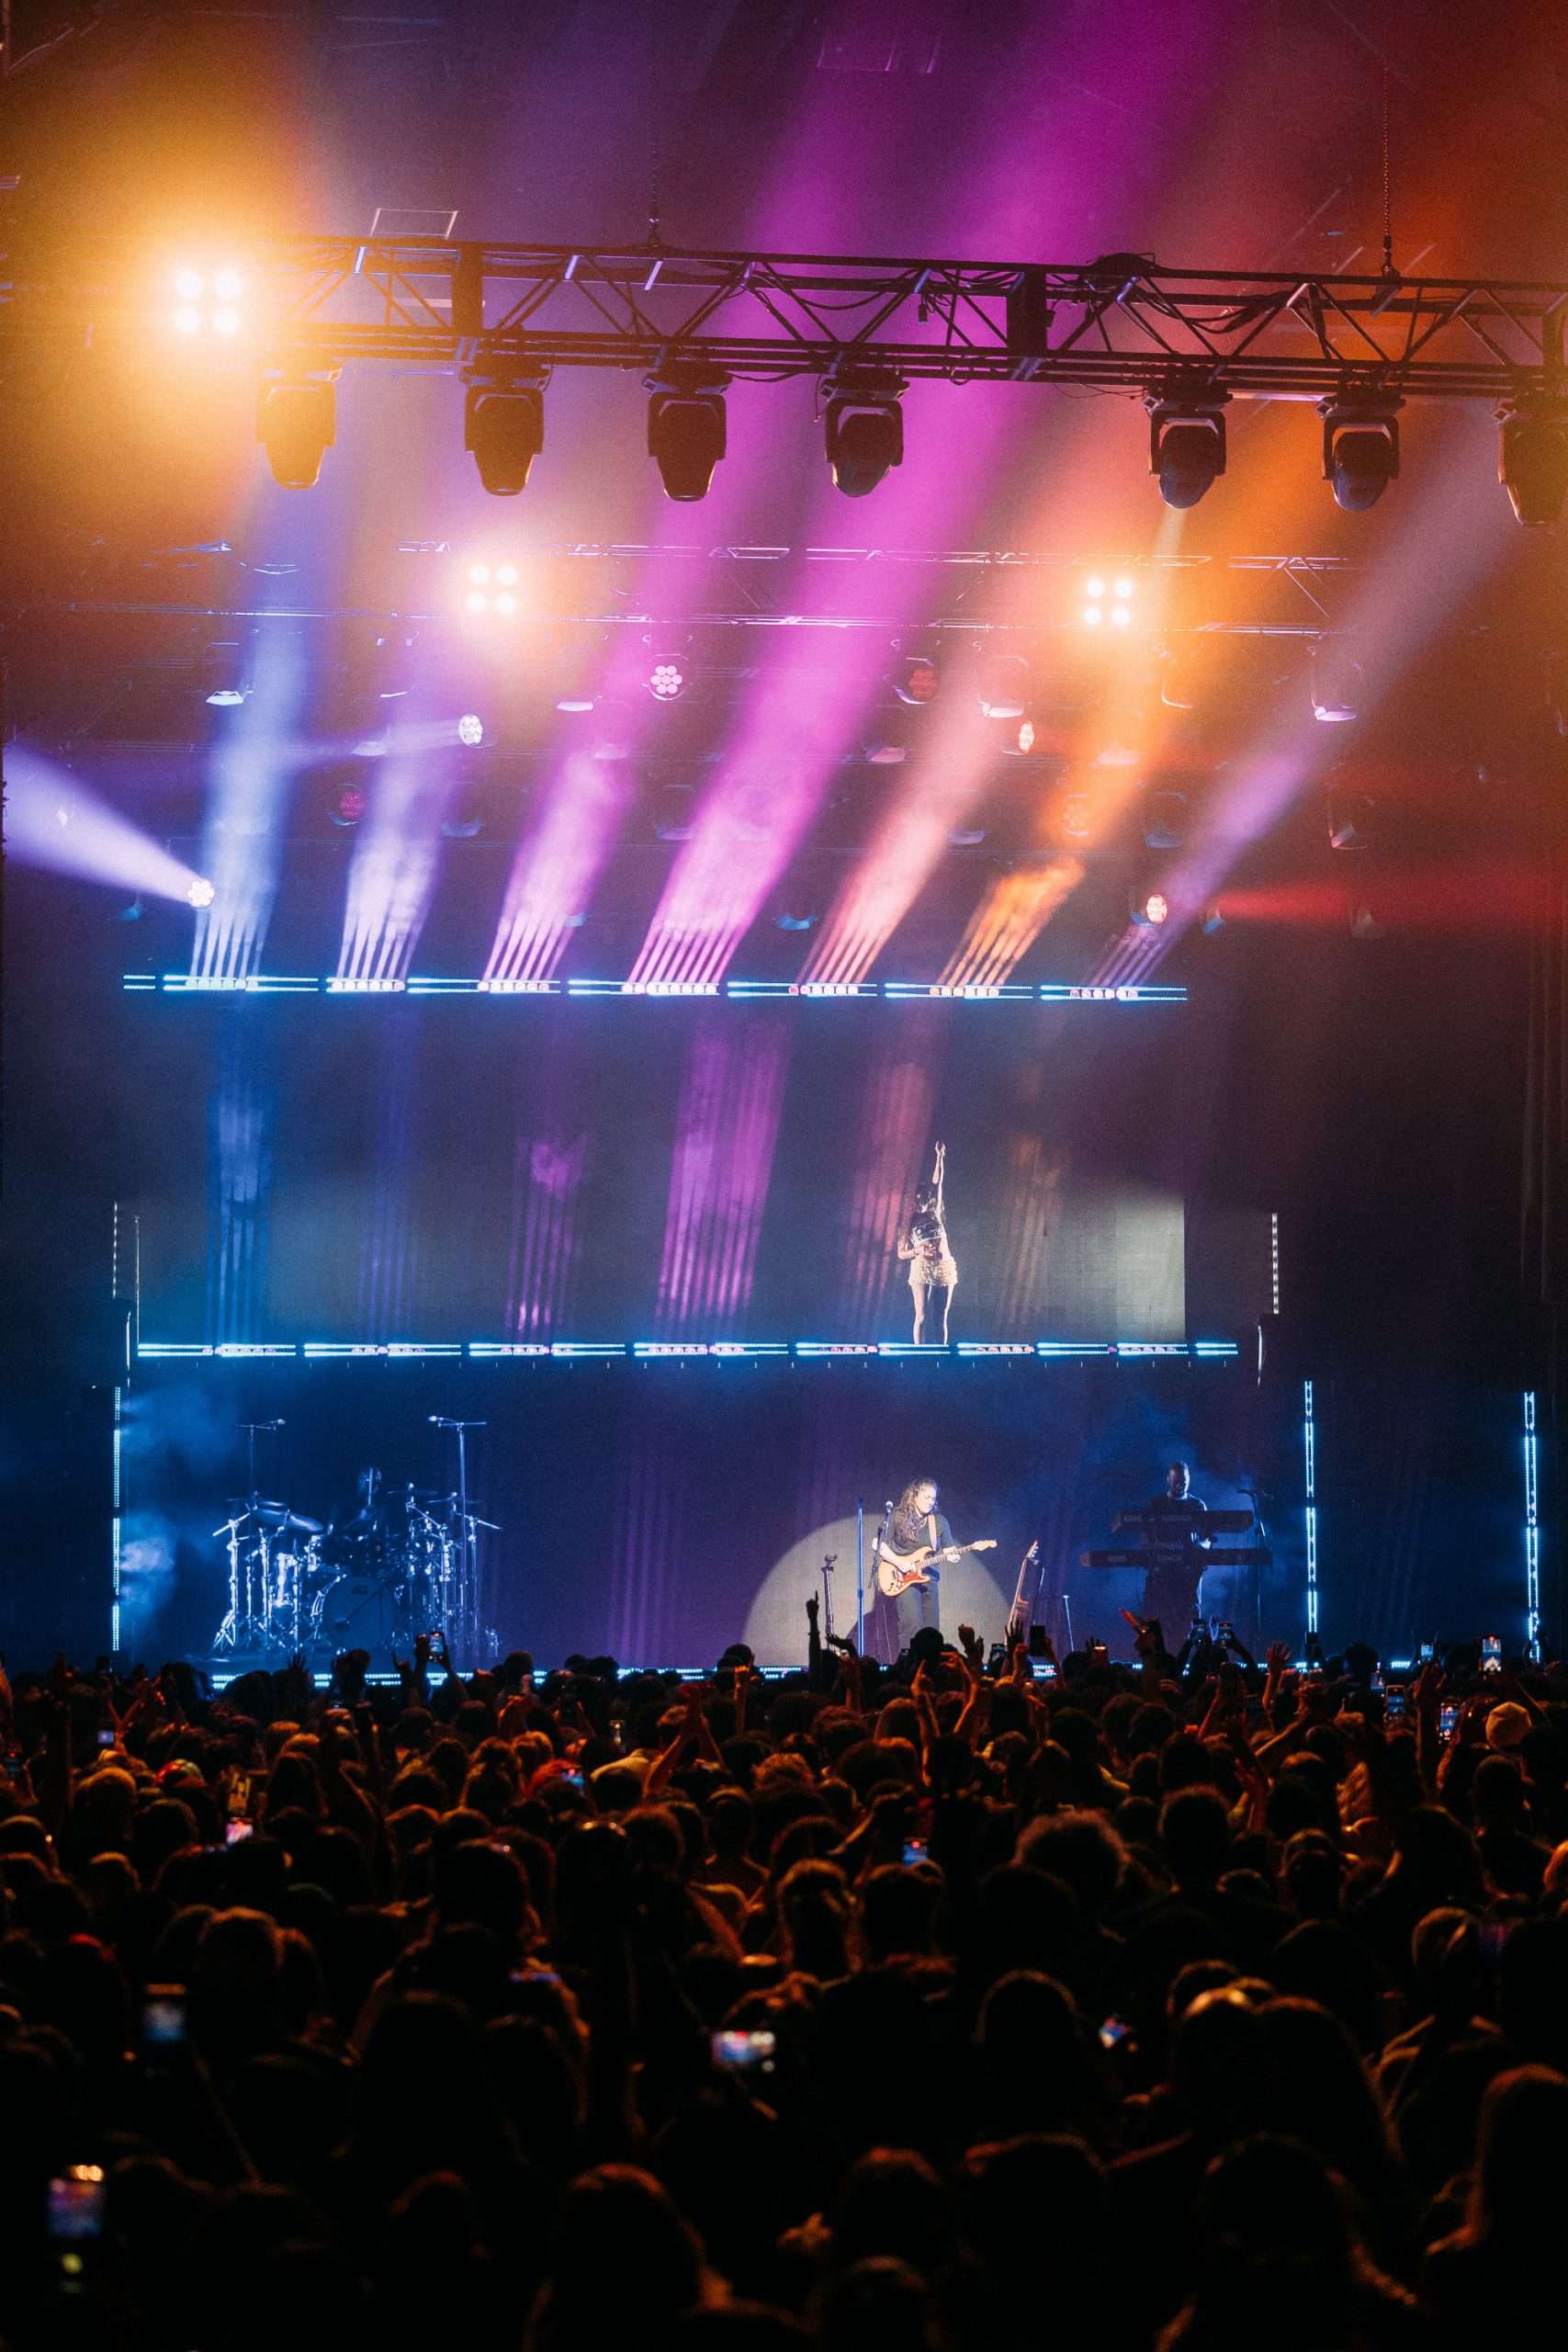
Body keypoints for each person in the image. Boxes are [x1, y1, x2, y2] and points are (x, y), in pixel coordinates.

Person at [876, 1477, 953, 1652]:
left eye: (933, 1498)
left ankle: (931, 1664)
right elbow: (879, 1545)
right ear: (914, 1495)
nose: (930, 1502)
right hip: (903, 1578)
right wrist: (899, 1563)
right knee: (912, 1626)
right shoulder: (897, 1516)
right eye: (926, 1497)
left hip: (929, 1578)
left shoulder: (939, 1521)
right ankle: (909, 1663)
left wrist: (953, 1556)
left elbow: (949, 1550)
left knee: (932, 1630)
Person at [1139, 1459, 1212, 1633]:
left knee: (1188, 1621)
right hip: (1161, 1571)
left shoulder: (1197, 1505)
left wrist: (1199, 1546)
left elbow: (1208, 1538)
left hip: (1188, 1573)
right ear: (1168, 1480)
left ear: (1189, 1479)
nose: (1180, 1485)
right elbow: (1145, 1537)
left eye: (1184, 1481)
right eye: (1176, 1481)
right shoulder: (1156, 1505)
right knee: (1156, 1622)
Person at [897, 1141, 957, 1343]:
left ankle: (941, 1353)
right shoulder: (908, 1223)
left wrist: (939, 1158)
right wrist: (918, 1251)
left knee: (941, 1317)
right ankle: (919, 1353)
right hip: (923, 1266)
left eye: (924, 1197)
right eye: (918, 1198)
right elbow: (901, 1252)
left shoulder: (935, 1213)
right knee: (921, 1316)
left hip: (944, 1266)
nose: (921, 1200)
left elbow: (938, 1184)